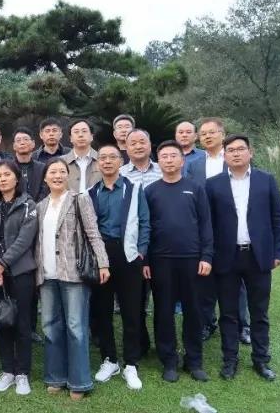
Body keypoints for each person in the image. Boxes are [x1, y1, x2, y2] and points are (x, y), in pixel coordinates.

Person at [206, 135, 280, 382]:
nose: (236, 153)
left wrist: (278, 252)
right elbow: (207, 224)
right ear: (225, 155)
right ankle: (230, 360)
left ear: (250, 152)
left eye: (241, 149)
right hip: (226, 257)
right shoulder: (213, 185)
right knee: (228, 313)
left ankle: (261, 360)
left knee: (259, 312)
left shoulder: (266, 180)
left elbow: (278, 218)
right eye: (231, 150)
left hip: (258, 256)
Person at [35, 158, 110, 399]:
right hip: (47, 275)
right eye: (52, 172)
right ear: (45, 178)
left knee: (76, 327)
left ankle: (79, 381)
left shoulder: (80, 199)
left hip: (74, 274)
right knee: (50, 326)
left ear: (68, 176)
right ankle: (55, 376)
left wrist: (103, 262)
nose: (57, 176)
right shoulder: (40, 206)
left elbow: (93, 233)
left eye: (61, 171)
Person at [145, 140, 213, 383]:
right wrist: (145, 260)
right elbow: (145, 228)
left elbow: (206, 224)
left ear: (182, 160)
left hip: (192, 259)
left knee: (193, 311)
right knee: (163, 312)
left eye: (173, 155)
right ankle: (169, 361)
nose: (169, 160)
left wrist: (206, 256)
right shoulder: (150, 191)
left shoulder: (195, 189)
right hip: (160, 261)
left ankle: (194, 361)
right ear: (159, 161)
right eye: (164, 156)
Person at [89, 145, 150, 391]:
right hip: (101, 257)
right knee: (102, 311)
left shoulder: (134, 189)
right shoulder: (90, 193)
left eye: (112, 157)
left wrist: (141, 252)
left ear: (120, 161)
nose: (107, 161)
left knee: (131, 312)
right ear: (98, 164)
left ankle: (131, 363)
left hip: (129, 256)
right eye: (102, 158)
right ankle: (110, 359)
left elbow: (145, 222)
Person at [186, 117, 248, 342]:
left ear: (222, 134)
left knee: (237, 281)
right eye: (203, 134)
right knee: (204, 280)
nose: (207, 136)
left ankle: (243, 325)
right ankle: (207, 323)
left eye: (212, 132)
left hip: (232, 228)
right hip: (204, 229)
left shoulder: (233, 159)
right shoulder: (194, 165)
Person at [0, 162, 39, 396]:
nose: (3, 179)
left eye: (7, 175)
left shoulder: (28, 205)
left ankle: (22, 373)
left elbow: (25, 239)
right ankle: (7, 371)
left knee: (22, 323)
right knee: (2, 320)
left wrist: (2, 263)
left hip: (20, 272)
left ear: (17, 178)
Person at [61, 119, 101, 195]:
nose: (80, 135)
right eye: (76, 132)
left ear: (91, 136)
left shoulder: (102, 160)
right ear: (70, 138)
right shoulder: (61, 162)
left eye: (84, 131)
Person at [10, 127, 48, 202]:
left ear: (33, 144)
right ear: (14, 146)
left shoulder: (42, 168)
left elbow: (45, 191)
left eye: (26, 139)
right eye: (18, 140)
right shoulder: (8, 168)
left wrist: (35, 206)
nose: (22, 143)